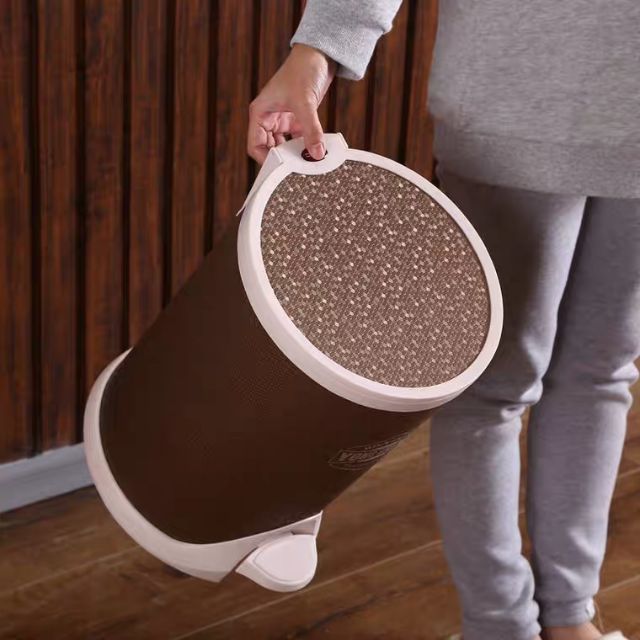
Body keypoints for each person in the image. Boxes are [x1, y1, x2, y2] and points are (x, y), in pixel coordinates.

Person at [246, 2, 640, 639]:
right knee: (494, 387)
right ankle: (500, 627)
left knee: (602, 371)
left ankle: (570, 619)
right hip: (517, 95)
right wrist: (320, 46)